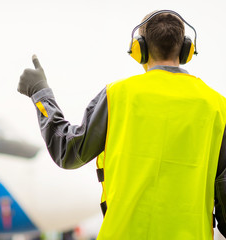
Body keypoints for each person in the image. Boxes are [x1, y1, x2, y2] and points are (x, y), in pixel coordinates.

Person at [17, 10, 226, 240]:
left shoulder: (116, 96)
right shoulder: (218, 107)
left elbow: (68, 152)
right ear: (186, 49)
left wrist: (40, 93)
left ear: (139, 49)